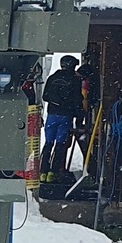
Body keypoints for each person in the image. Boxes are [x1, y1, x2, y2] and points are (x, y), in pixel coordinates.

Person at [40, 54, 85, 183]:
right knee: (60, 145)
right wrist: (79, 117)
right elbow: (77, 100)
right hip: (66, 116)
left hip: (52, 116)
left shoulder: (52, 78)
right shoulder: (75, 81)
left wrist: (56, 102)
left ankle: (43, 171)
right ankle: (53, 173)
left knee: (48, 143)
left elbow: (45, 97)